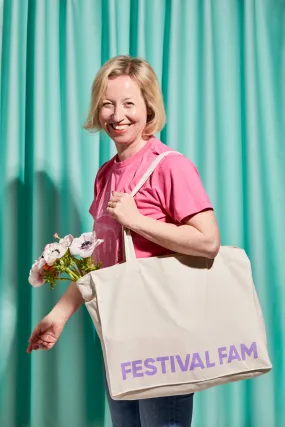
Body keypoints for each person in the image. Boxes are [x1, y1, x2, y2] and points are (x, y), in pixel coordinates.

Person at [27, 55, 220, 427]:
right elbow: (104, 263)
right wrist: (60, 314)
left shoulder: (170, 166)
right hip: (120, 334)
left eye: (129, 103)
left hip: (163, 333)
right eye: (107, 103)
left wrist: (137, 220)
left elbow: (208, 241)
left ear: (149, 107)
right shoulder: (106, 174)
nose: (117, 115)